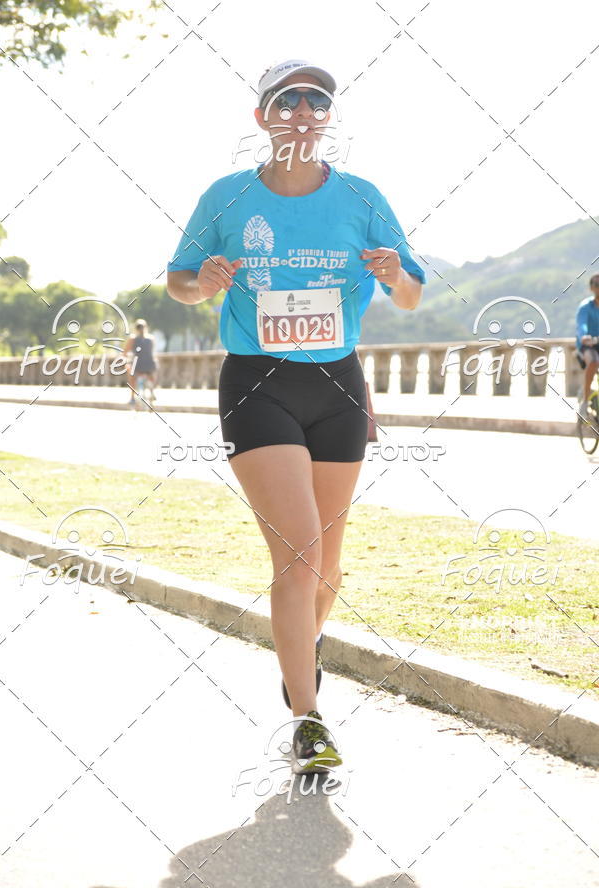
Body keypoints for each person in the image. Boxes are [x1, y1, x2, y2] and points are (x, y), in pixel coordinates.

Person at [166, 58, 427, 774]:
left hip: (338, 384)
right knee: (301, 553)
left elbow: (410, 296)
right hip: (258, 382)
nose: (303, 111)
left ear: (328, 117)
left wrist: (393, 274)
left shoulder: (362, 197)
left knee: (328, 565)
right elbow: (179, 282)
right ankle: (308, 720)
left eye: (317, 101)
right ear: (263, 117)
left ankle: (297, 655)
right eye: (288, 101)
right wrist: (203, 282)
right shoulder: (227, 195)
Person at [576, 274, 599, 415]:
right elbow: (582, 324)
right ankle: (584, 401)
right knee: (594, 361)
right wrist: (584, 336)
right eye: (596, 285)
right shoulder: (585, 306)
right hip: (588, 345)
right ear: (591, 288)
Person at [123, 318, 158, 406]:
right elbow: (152, 352)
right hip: (150, 365)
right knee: (153, 374)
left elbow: (125, 352)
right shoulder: (151, 338)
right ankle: (152, 391)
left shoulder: (133, 338)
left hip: (138, 365)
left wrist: (126, 362)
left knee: (131, 377)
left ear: (136, 328)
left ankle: (132, 398)